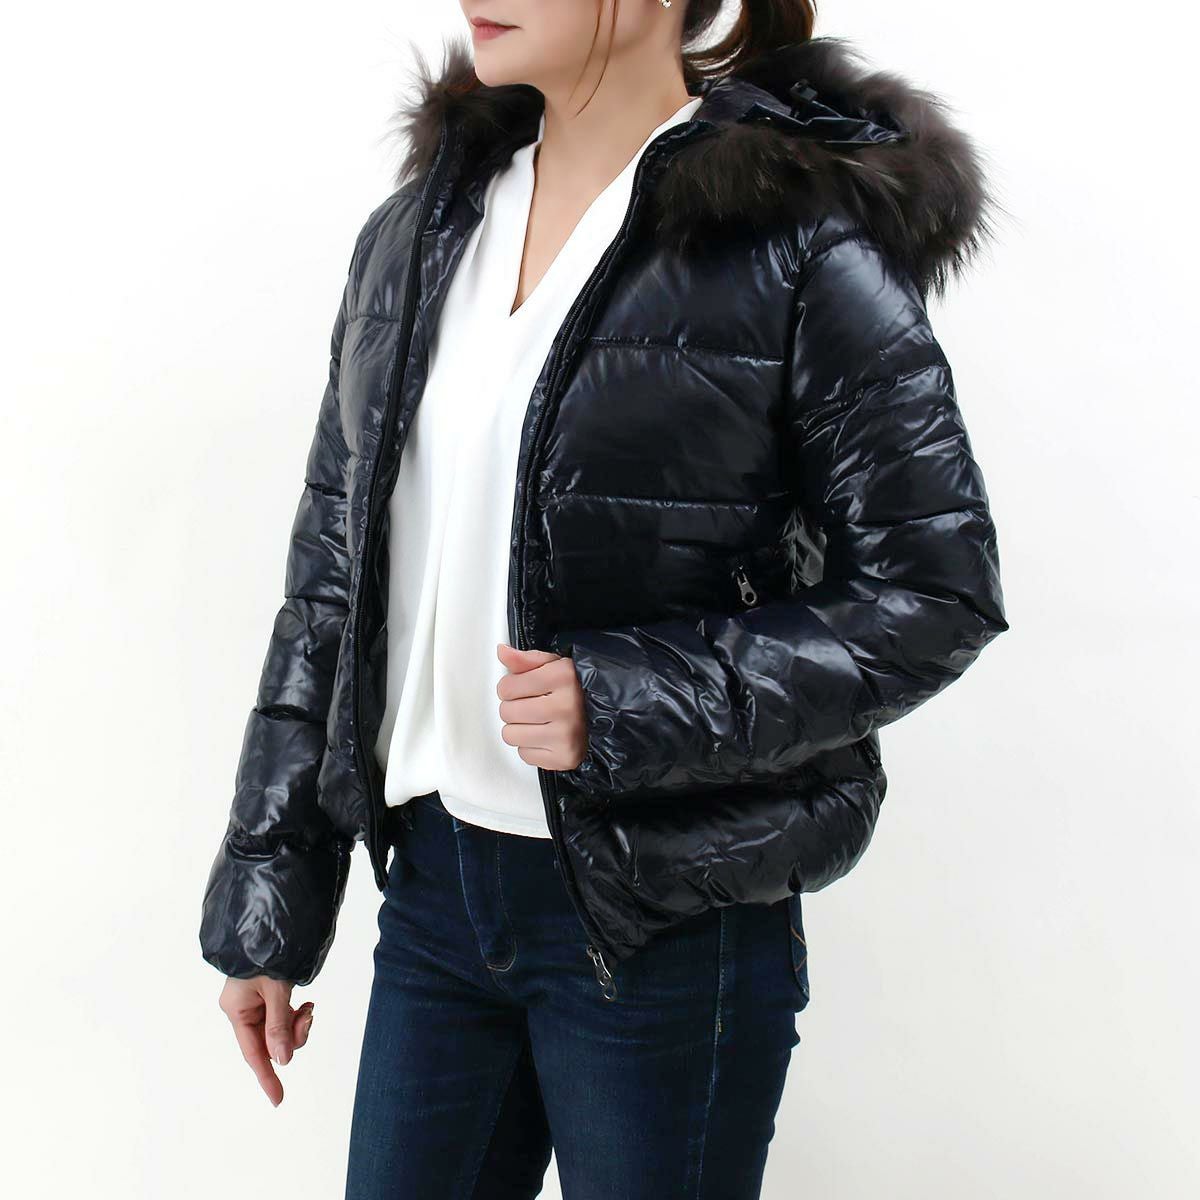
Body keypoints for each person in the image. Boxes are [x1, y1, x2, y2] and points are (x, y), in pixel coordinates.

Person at [199, 2, 1009, 1196]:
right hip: (435, 900)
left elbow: (934, 589)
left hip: (663, 918)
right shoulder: (420, 234)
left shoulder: (791, 242)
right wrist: (271, 903)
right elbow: (331, 583)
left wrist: (627, 701)